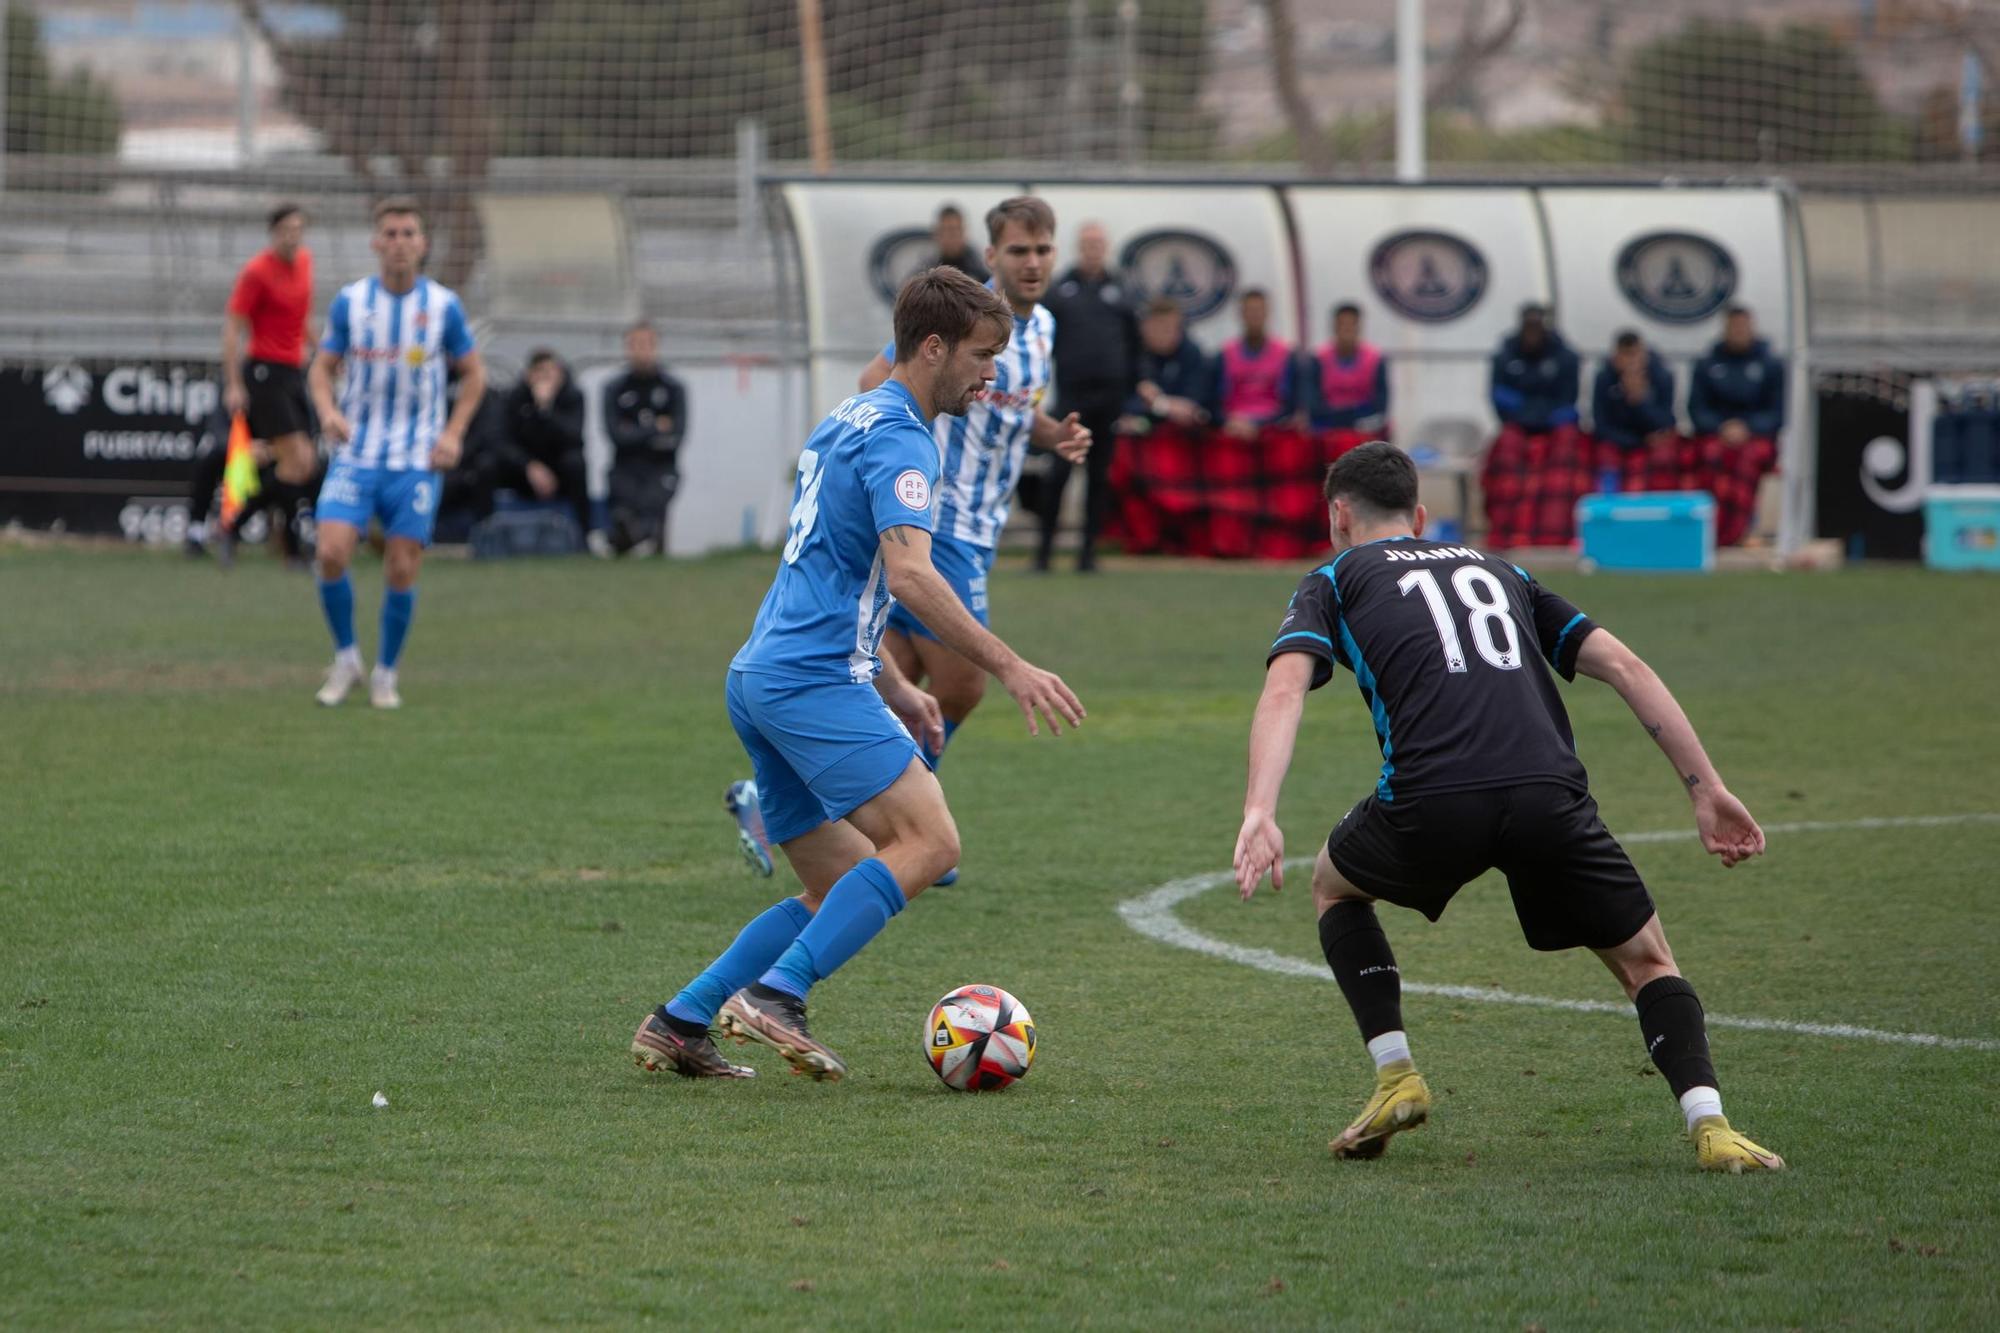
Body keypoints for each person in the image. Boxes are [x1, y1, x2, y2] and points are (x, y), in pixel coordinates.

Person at [1233, 441, 1782, 1173]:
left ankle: (1396, 1072)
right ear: (1421, 516)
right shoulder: (1503, 570)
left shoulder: (1333, 576)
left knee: (1334, 884)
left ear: (1338, 516)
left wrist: (1259, 809)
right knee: (1648, 961)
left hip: (1431, 802)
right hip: (1547, 794)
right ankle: (1712, 1125)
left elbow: (1283, 689)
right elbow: (1625, 666)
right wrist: (1706, 787)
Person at [631, 266, 1085, 1082]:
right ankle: (777, 997)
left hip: (762, 674)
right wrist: (1011, 665)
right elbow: (910, 574)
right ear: (934, 346)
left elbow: (835, 574)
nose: (993, 375)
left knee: (838, 877)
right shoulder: (905, 435)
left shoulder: (847, 417)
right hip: (810, 680)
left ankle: (681, 1018)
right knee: (931, 839)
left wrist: (900, 686)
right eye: (982, 356)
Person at [839, 197, 1088, 850]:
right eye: (1018, 251)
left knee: (889, 671)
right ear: (992, 257)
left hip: (981, 528)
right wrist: (881, 457)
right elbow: (878, 379)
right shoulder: (957, 319)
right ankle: (911, 826)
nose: (1031, 263)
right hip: (936, 522)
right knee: (965, 684)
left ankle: (809, 792)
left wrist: (1050, 432)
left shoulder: (1045, 331)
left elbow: (1012, 407)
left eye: (1042, 250)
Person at [306, 197, 486, 710]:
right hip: (357, 454)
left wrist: (453, 433)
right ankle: (345, 659)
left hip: (416, 460)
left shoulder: (444, 306)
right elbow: (321, 368)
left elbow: (474, 373)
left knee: (402, 567)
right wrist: (326, 411)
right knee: (330, 551)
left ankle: (385, 672)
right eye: (391, 233)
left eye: (409, 233)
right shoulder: (352, 302)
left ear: (423, 244)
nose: (400, 242)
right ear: (376, 242)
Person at [207, 202, 316, 560]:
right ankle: (292, 548)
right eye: (286, 230)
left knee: (302, 464)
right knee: (294, 460)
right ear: (273, 233)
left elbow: (301, 319)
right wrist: (234, 383)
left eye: (298, 230)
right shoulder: (257, 272)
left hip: (292, 372)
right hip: (264, 373)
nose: (292, 237)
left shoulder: (305, 264)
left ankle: (233, 527)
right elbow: (233, 328)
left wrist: (325, 351)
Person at [1037, 221, 1137, 573]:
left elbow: (1134, 343)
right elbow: (1042, 341)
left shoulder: (1120, 291)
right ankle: (1044, 552)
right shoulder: (1061, 290)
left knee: (1098, 478)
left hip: (1108, 400)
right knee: (1058, 474)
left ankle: (1088, 554)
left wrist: (1132, 390)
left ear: (1105, 248)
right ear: (1079, 248)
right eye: (1087, 244)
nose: (1093, 250)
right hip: (1071, 400)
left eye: (1098, 243)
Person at [1483, 303, 1587, 548]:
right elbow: (1500, 400)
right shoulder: (1505, 355)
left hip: (1553, 428)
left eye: (1536, 327)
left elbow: (1567, 402)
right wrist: (1532, 412)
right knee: (1507, 447)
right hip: (1518, 427)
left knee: (1567, 447)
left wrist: (1533, 411)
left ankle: (1556, 534)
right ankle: (1506, 532)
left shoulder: (1566, 357)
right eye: (1527, 328)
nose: (1532, 333)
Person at [1689, 305, 1785, 546]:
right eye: (1735, 327)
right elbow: (1696, 410)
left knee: (1745, 460)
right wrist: (1722, 427)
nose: (1739, 332)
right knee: (1711, 458)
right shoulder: (1707, 364)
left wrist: (1748, 428)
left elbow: (1778, 413)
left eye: (1744, 327)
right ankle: (1712, 530)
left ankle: (1738, 531)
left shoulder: (1771, 365)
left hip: (1756, 437)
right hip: (1717, 435)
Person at [602, 321, 688, 557]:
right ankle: (625, 538)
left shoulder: (673, 388)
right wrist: (654, 428)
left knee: (653, 505)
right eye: (635, 344)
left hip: (661, 467)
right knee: (622, 510)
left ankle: (642, 538)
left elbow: (676, 436)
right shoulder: (614, 389)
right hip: (625, 467)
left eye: (647, 344)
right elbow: (616, 436)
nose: (641, 350)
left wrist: (635, 431)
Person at [497, 349, 593, 549]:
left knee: (576, 464)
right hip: (525, 471)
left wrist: (545, 409)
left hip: (559, 470)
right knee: (487, 465)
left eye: (551, 372)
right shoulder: (514, 398)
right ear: (529, 375)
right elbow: (503, 442)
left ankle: (584, 538)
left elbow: (573, 437)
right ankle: (484, 537)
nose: (546, 378)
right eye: (540, 372)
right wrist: (529, 466)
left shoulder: (573, 397)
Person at [1590, 330, 1682, 493]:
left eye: (1634, 355)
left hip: (1652, 443)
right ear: (1616, 357)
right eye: (1625, 355)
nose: (1631, 362)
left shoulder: (1662, 377)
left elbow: (1665, 422)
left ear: (1644, 354)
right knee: (1605, 458)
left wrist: (1639, 401)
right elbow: (1601, 426)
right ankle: (1608, 508)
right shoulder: (1604, 378)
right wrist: (1637, 442)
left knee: (1665, 455)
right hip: (1621, 441)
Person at [1301, 302, 1390, 442]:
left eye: (1351, 324)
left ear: (1359, 327)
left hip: (1364, 427)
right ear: (1334, 327)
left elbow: (1380, 406)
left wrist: (1352, 418)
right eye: (1342, 324)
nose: (1347, 330)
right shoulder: (1318, 359)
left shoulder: (1375, 359)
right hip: (1329, 429)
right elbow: (1313, 406)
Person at [1121, 298, 1213, 432]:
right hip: (1137, 433)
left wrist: (1157, 404)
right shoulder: (1128, 354)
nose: (1168, 334)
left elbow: (1193, 404)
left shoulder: (1191, 352)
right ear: (1144, 327)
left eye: (1174, 328)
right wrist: (1164, 406)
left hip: (1180, 435)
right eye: (1160, 327)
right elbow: (1120, 401)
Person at [1214, 289, 1295, 439]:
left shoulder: (1285, 354)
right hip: (1234, 428)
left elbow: (1291, 405)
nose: (1254, 315)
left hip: (1273, 429)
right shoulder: (1224, 355)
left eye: (1259, 310)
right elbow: (1214, 403)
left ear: (1267, 313)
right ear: (1241, 314)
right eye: (1250, 310)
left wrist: (1260, 425)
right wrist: (1229, 421)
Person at [930, 204, 990, 284]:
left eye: (955, 230)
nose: (951, 236)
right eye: (946, 230)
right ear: (937, 233)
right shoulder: (926, 268)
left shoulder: (979, 268)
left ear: (964, 232)